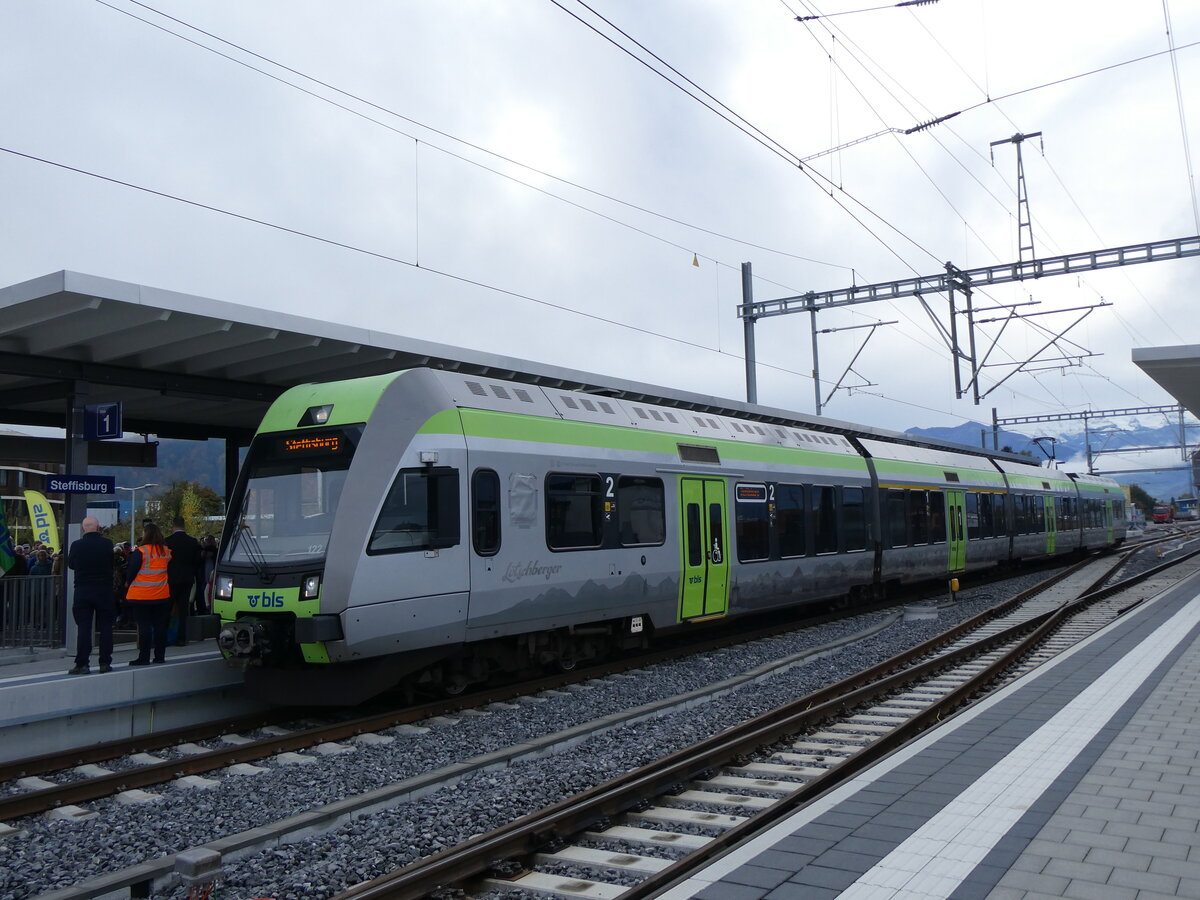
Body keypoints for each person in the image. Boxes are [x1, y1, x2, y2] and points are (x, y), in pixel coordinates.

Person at [66, 516, 116, 675]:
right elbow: (111, 562)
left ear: (83, 529)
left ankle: (82, 664)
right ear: (98, 527)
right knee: (106, 627)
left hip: (83, 590)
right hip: (104, 590)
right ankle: (105, 662)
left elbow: (71, 564)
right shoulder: (107, 544)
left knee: (84, 628)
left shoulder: (76, 545)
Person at [125, 522, 172, 666]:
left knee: (144, 627)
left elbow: (131, 571)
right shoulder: (165, 551)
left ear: (146, 534)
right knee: (160, 627)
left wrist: (128, 583)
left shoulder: (141, 551)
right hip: (162, 594)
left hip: (142, 595)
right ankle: (160, 656)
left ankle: (144, 657)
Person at [164, 517, 202, 645]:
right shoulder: (192, 542)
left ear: (173, 525)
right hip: (187, 578)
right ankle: (182, 637)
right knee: (183, 609)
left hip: (171, 578)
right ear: (184, 525)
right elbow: (197, 561)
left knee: (167, 609)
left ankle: (164, 637)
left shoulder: (168, 541)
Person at [197, 534, 218, 615]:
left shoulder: (214, 551)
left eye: (209, 541)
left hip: (210, 576)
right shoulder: (204, 552)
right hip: (204, 576)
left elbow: (208, 554)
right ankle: (204, 608)